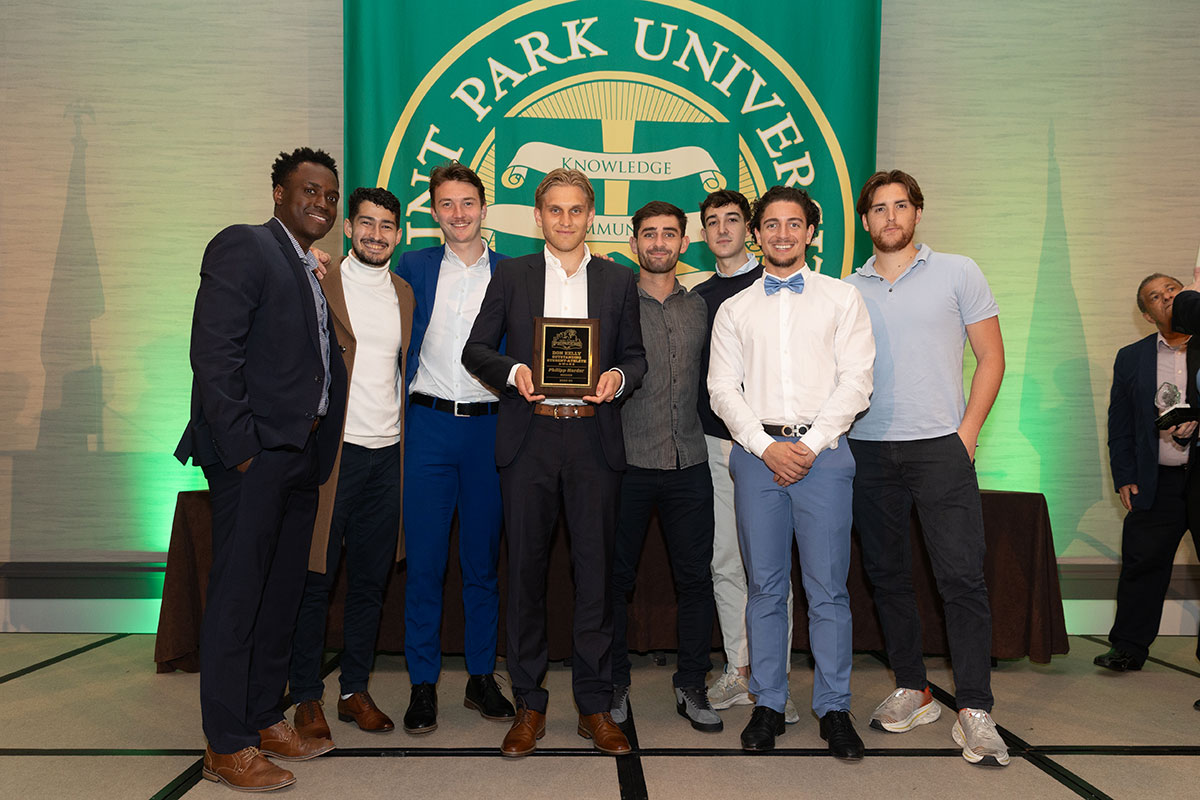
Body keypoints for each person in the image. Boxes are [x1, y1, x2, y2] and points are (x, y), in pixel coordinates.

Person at [174, 147, 346, 791]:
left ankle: (263, 716)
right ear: (278, 192)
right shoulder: (244, 246)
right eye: (309, 191)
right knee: (239, 599)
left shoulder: (307, 267)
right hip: (255, 458)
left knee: (280, 596)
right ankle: (226, 743)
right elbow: (213, 355)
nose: (321, 204)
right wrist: (243, 448)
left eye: (329, 195)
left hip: (301, 457)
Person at [462, 168, 646, 758]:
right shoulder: (511, 274)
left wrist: (617, 378)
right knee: (526, 578)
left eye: (576, 211)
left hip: (594, 441)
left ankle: (594, 706)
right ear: (537, 217)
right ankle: (528, 706)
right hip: (531, 441)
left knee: (595, 579)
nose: (565, 221)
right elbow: (476, 349)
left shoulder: (619, 281)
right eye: (554, 211)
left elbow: (636, 358)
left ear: (591, 215)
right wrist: (514, 373)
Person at [845, 169, 1008, 767]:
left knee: (961, 579)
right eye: (878, 208)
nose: (889, 217)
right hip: (865, 449)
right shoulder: (846, 288)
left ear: (917, 213)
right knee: (886, 575)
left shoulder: (959, 271)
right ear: (865, 221)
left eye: (900, 206)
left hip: (941, 446)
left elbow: (992, 358)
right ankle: (913, 689)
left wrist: (965, 435)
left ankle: (974, 707)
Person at [708, 185, 873, 759]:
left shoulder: (842, 299)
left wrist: (810, 442)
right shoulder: (734, 309)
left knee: (828, 591)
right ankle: (769, 703)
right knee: (766, 589)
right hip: (756, 457)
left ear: (810, 233)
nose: (782, 233)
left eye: (793, 223)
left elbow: (857, 381)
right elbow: (722, 389)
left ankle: (833, 707)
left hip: (825, 456)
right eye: (771, 224)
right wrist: (764, 445)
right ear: (757, 234)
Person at [287, 187, 414, 742]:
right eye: (366, 224)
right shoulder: (319, 280)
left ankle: (353, 690)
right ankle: (306, 697)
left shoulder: (405, 294)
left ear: (400, 234)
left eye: (387, 226)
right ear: (349, 228)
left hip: (388, 458)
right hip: (333, 456)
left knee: (369, 581)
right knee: (316, 578)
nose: (376, 234)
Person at [394, 162, 514, 734]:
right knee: (424, 563)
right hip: (429, 427)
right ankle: (422, 684)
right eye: (447, 204)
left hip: (489, 429)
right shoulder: (411, 265)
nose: (459, 214)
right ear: (433, 211)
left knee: (481, 564)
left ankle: (481, 677)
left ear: (483, 208)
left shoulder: (514, 272)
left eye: (468, 203)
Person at [608, 201, 720, 733]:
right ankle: (613, 683)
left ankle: (692, 683)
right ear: (634, 243)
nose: (658, 243)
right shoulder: (613, 302)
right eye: (648, 234)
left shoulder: (699, 307)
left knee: (696, 581)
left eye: (669, 234)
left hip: (689, 463)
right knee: (615, 581)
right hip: (626, 463)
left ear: (683, 243)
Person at [692, 190, 797, 724]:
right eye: (712, 222)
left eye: (734, 220)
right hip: (716, 444)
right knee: (726, 561)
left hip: (774, 449)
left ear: (752, 230)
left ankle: (772, 679)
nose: (723, 229)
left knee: (771, 567)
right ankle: (739, 668)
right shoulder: (698, 295)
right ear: (703, 233)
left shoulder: (778, 284)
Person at [1103, 274, 1200, 677]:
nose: (1166, 299)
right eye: (1155, 297)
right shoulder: (1131, 356)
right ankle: (1127, 648)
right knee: (1142, 565)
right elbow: (1120, 420)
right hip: (1155, 480)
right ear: (1147, 314)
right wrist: (1124, 474)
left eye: (1173, 291)